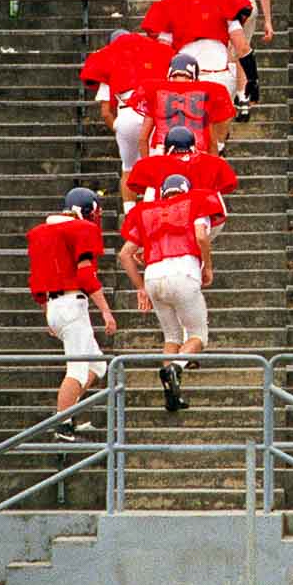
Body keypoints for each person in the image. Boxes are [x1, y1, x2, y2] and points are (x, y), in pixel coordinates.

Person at [119, 174, 224, 414]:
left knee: (172, 336)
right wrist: (207, 265)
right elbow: (200, 236)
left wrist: (139, 287)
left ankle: (171, 394)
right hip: (184, 271)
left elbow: (125, 254)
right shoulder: (194, 203)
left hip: (154, 275)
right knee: (198, 336)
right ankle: (175, 368)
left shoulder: (147, 211)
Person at [26, 186, 118, 441]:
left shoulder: (40, 233)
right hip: (71, 303)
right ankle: (63, 424)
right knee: (76, 370)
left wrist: (47, 312)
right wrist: (106, 311)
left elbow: (36, 280)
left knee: (97, 365)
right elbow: (86, 274)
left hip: (54, 305)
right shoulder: (81, 229)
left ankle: (70, 412)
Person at [79, 28, 177, 210]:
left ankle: (130, 213)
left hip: (126, 115)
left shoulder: (108, 60)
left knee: (128, 168)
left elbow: (106, 112)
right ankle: (155, 208)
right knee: (157, 165)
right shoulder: (154, 53)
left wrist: (118, 128)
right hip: (155, 113)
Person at [140, 0, 253, 110]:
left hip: (186, 77)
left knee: (192, 126)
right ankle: (241, 100)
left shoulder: (170, 6)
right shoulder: (224, 1)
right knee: (219, 126)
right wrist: (243, 94)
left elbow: (163, 54)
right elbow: (243, 49)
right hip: (220, 76)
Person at [129, 53, 238, 158]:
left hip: (162, 152)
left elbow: (143, 138)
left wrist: (146, 164)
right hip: (196, 154)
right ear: (194, 77)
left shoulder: (156, 92)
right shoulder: (206, 94)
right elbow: (212, 141)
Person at [126, 126, 238, 223]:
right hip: (202, 218)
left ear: (167, 147)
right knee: (213, 194)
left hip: (163, 215)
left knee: (151, 191)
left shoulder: (150, 163)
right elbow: (229, 185)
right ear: (193, 146)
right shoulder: (214, 162)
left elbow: (133, 185)